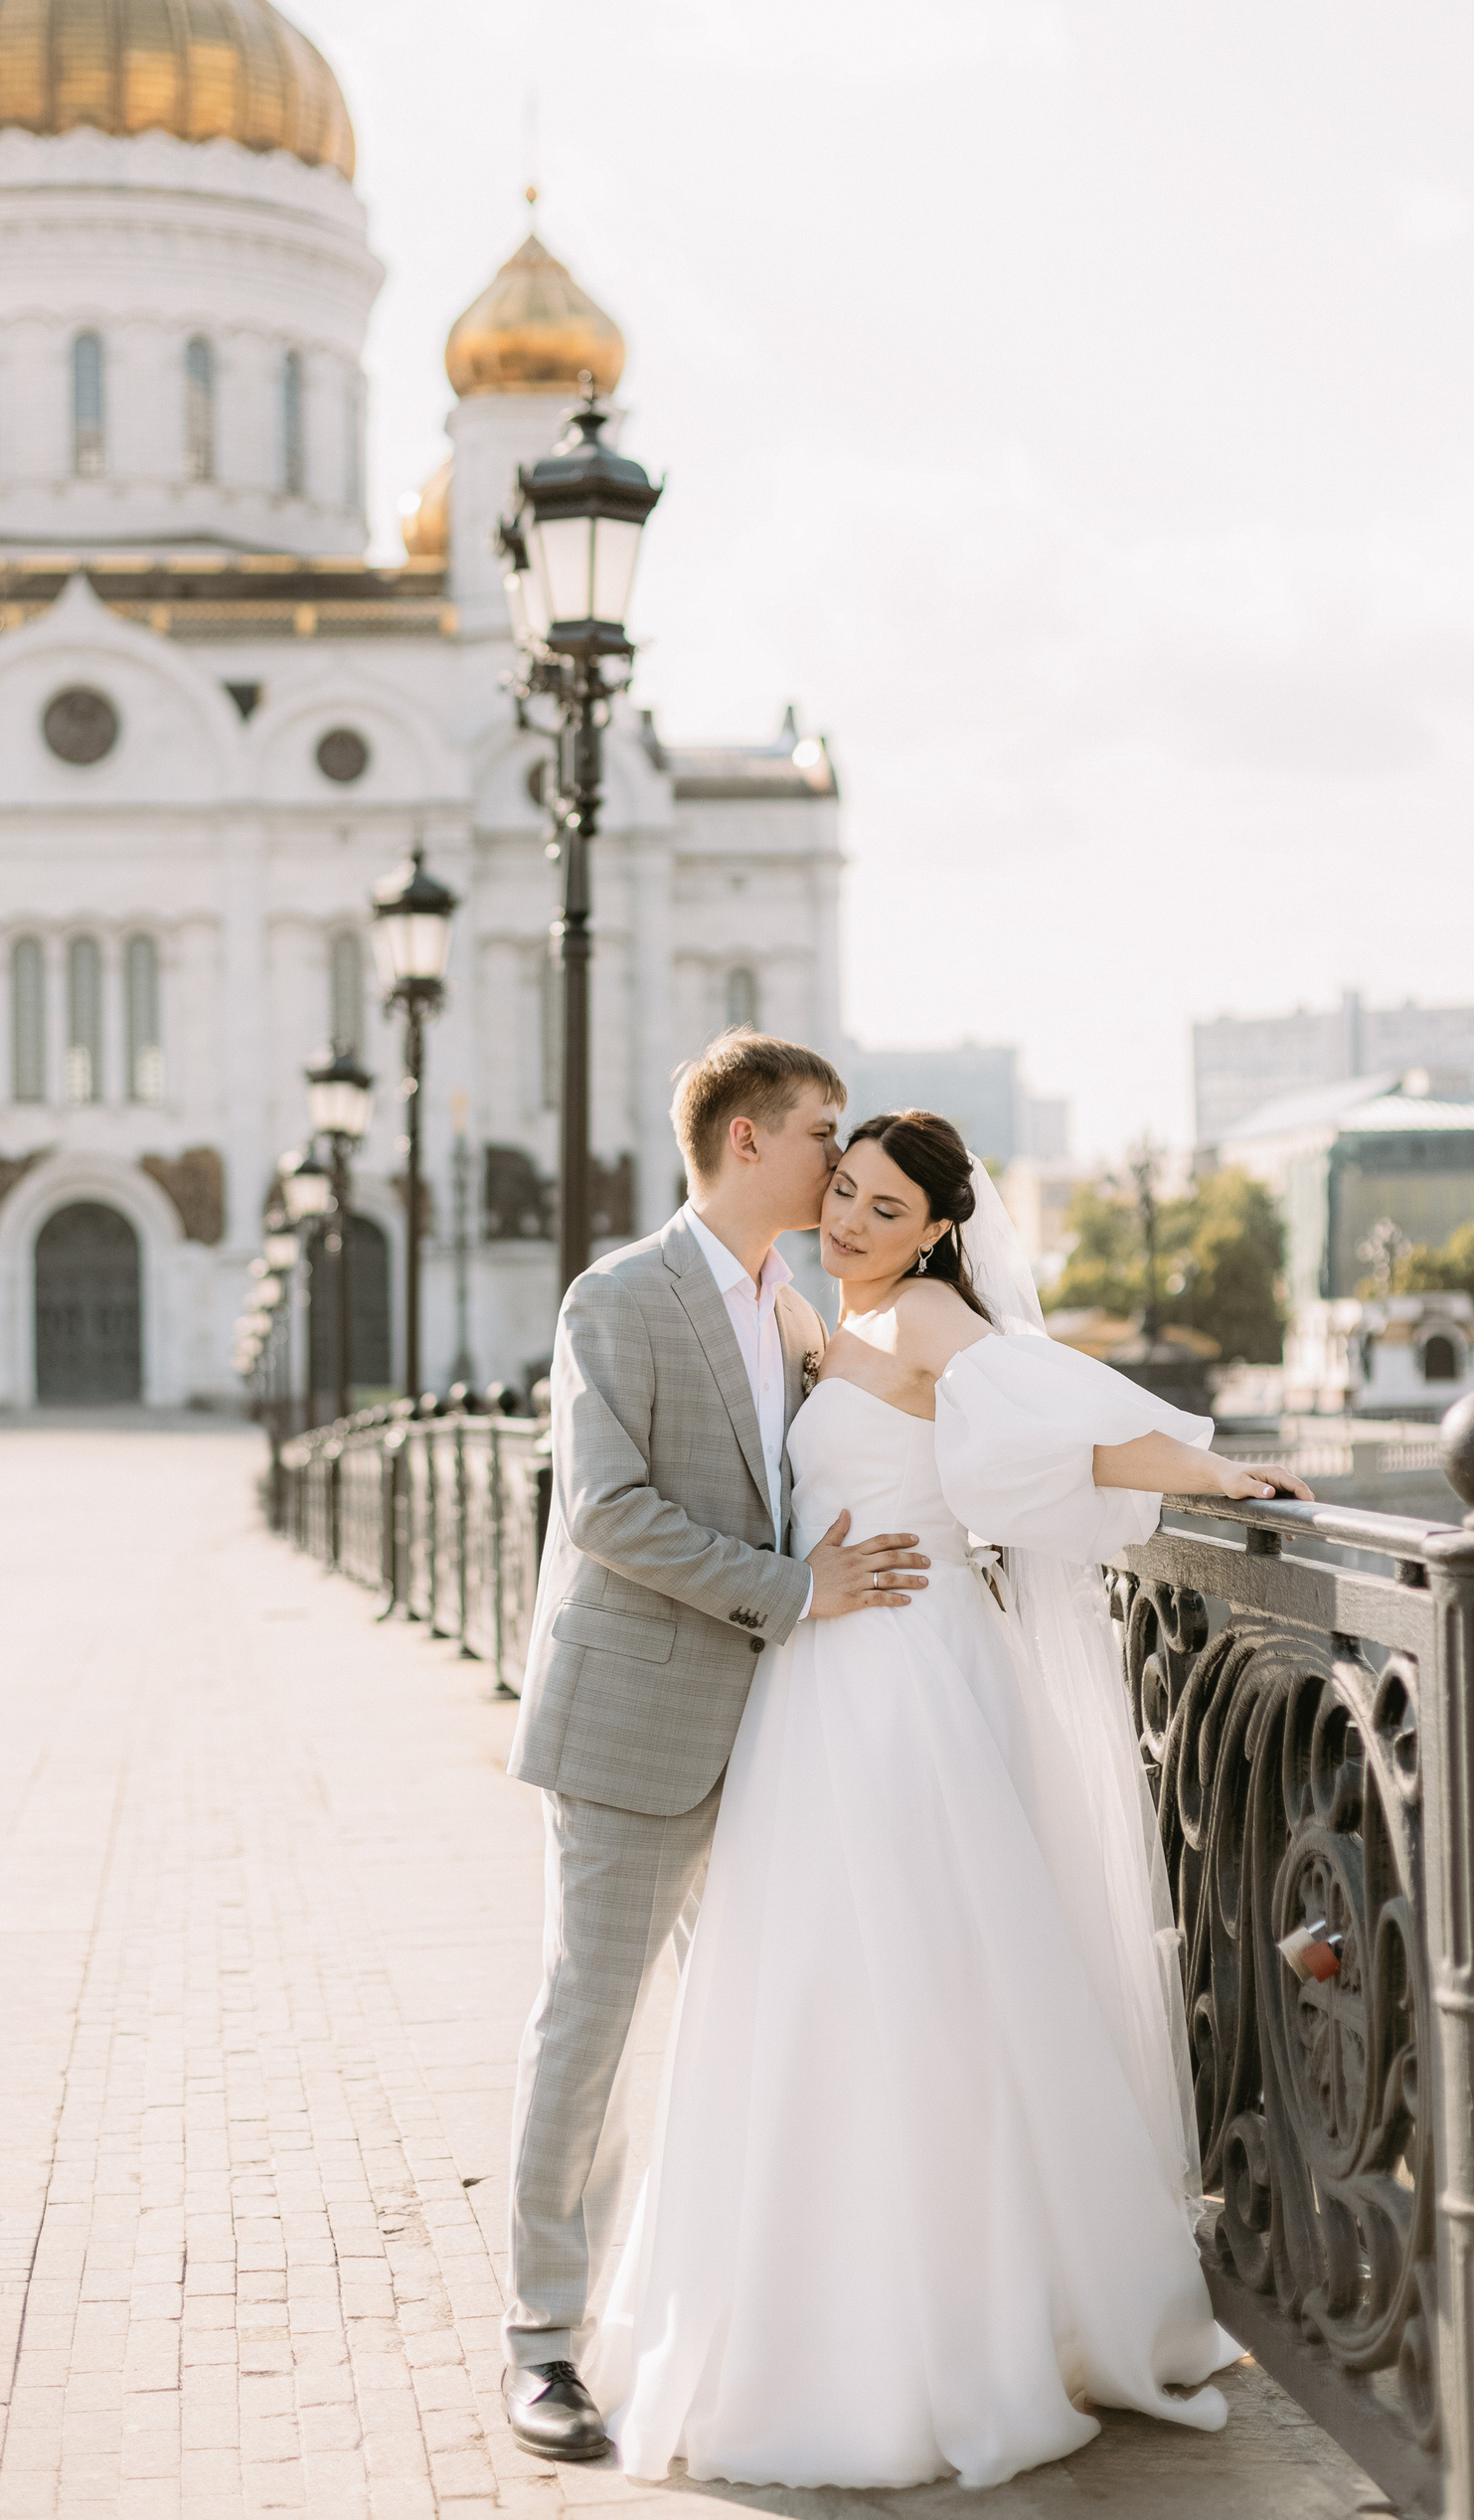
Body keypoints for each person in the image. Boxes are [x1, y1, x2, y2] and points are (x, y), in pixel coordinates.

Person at [586, 1107, 1310, 2489]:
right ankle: (827, 2306)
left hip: (908, 1677)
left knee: (925, 1975)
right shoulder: (825, 1324)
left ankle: (948, 2325)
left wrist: (1211, 1470)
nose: (853, 1221)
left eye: (886, 1209)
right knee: (817, 1979)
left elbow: (1072, 1428)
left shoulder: (923, 1316)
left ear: (934, 1232)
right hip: (819, 1678)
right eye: (845, 1192)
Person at [499, 1035, 935, 2463]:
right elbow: (607, 1510)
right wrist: (796, 1591)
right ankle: (543, 2342)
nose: (840, 1158)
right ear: (747, 1140)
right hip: (634, 1723)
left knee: (755, 2030)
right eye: (821, 1132)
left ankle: (723, 2316)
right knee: (591, 2032)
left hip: (775, 1737)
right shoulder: (619, 1294)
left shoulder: (796, 1307)